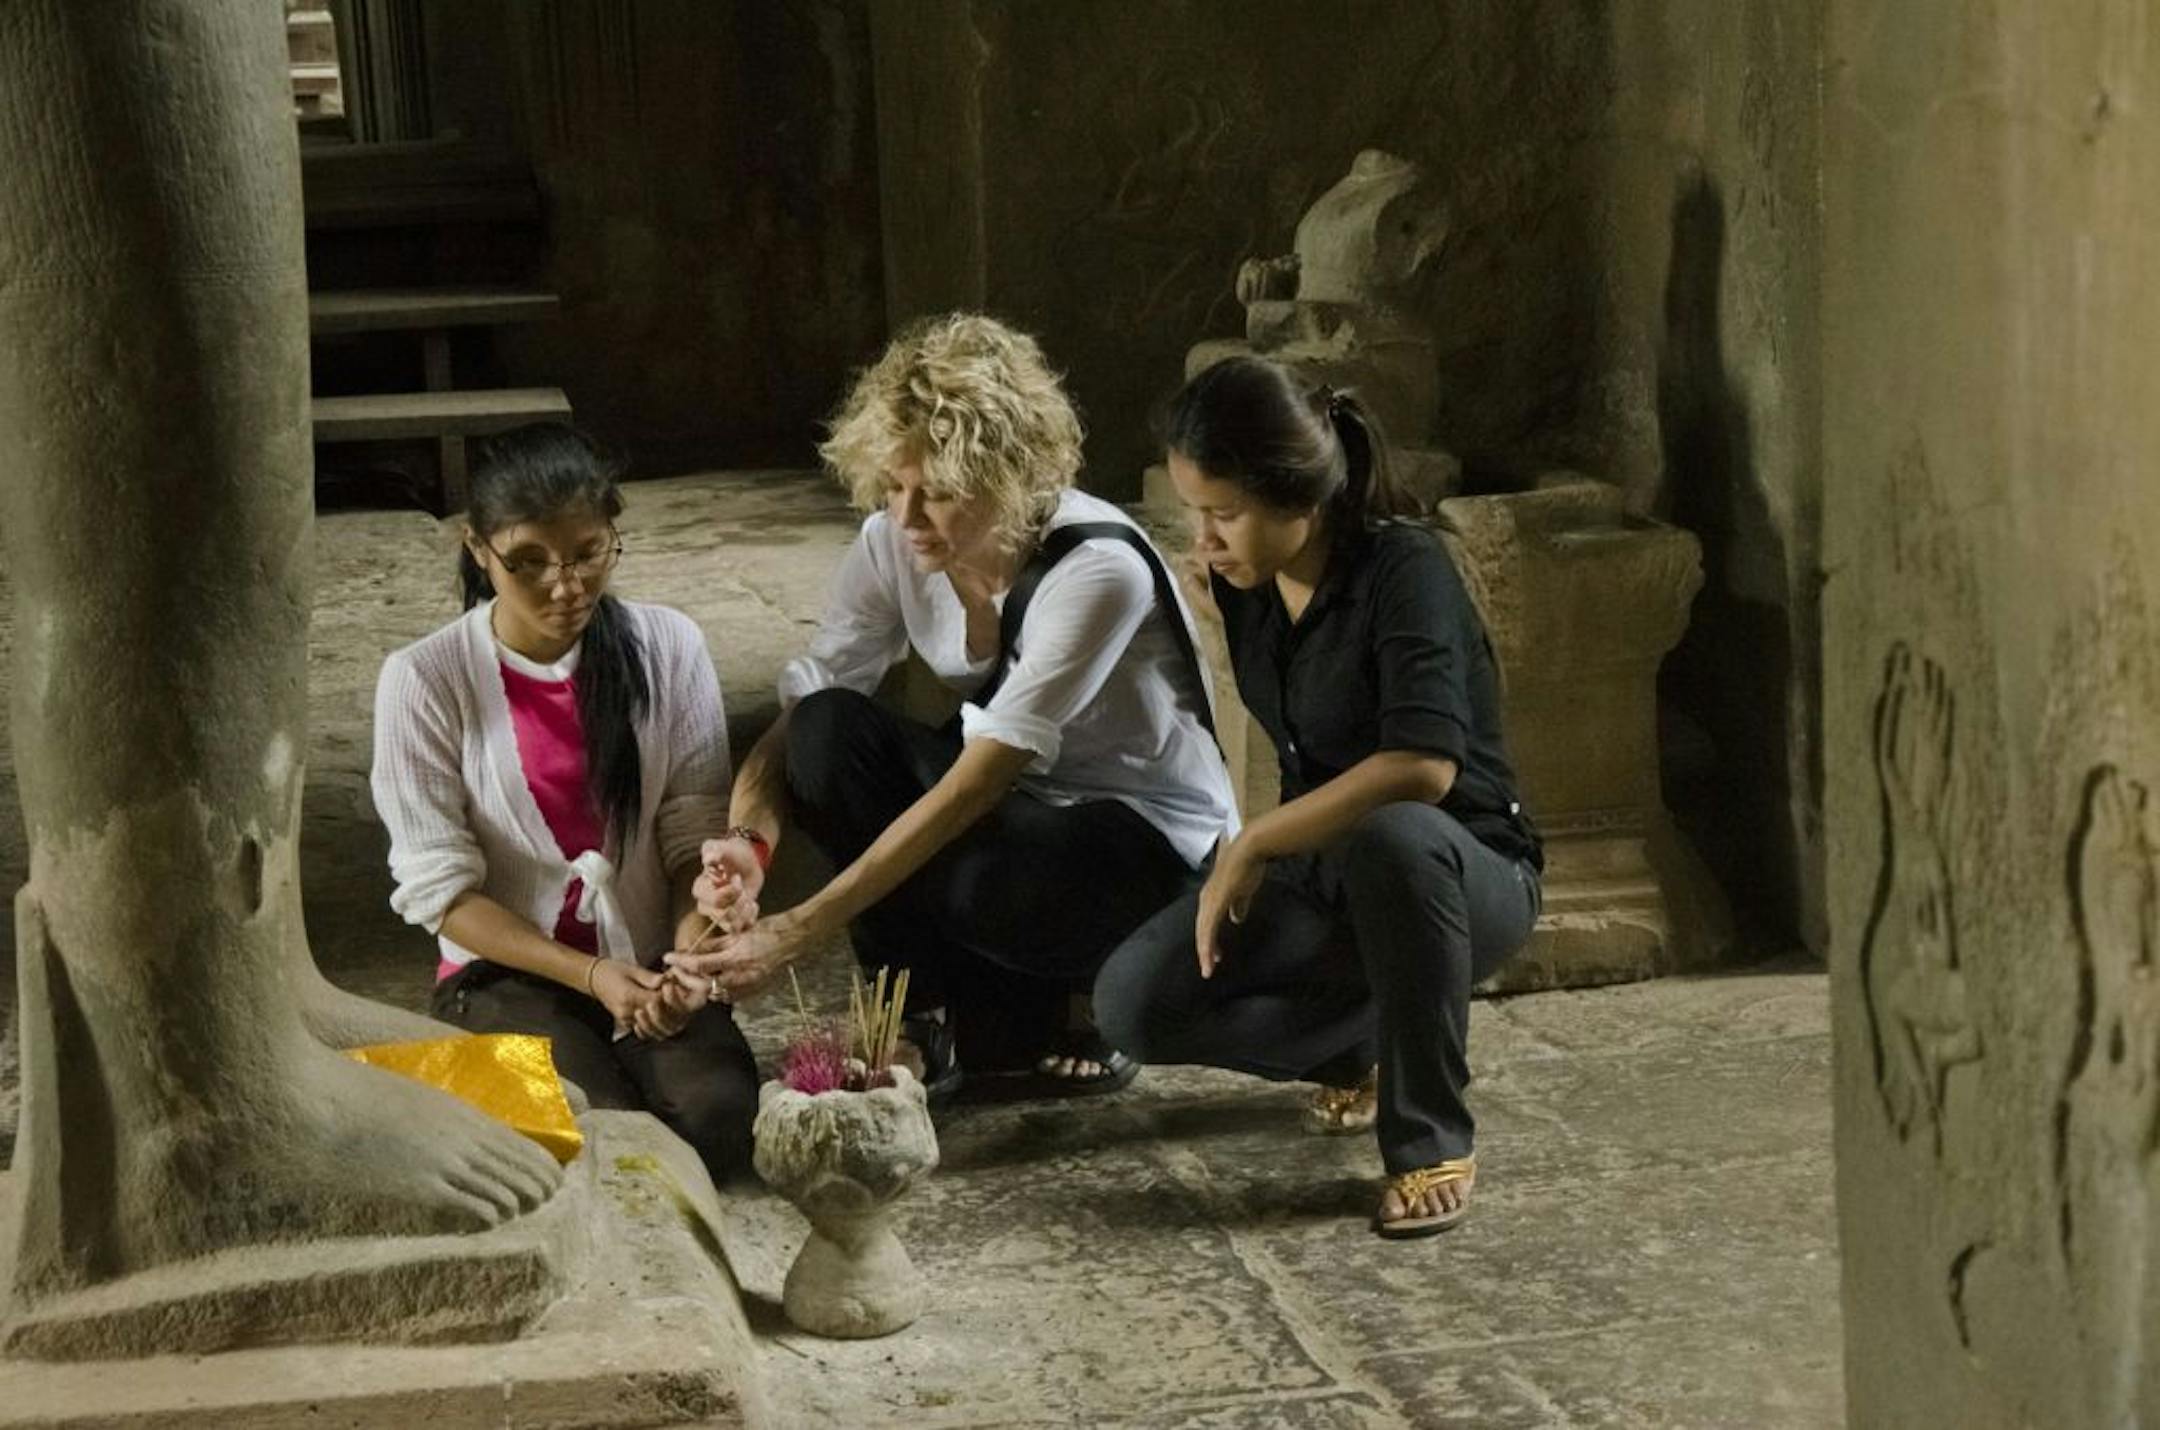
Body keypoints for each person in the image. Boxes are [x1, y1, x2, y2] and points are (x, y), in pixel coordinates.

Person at [667, 313, 1237, 1097]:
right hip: (1026, 814)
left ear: (1006, 479)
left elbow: (980, 782)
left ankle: (1069, 981)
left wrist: (798, 931)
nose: (905, 517)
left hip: (1138, 840)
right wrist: (748, 848)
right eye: (896, 486)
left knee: (970, 887)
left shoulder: (1099, 568)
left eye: (936, 494)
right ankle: (923, 1013)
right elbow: (809, 710)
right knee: (830, 731)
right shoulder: (892, 542)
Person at [1093, 356, 1543, 1238]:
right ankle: (1360, 1047)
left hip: (1457, 869)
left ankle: (1430, 1139)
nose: (1204, 539)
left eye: (1223, 514)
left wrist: (1254, 843)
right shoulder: (1245, 582)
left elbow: (1424, 767)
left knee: (1397, 838)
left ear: (1299, 499)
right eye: (1197, 512)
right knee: (1134, 1006)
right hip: (1330, 877)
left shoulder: (1406, 570)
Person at [370, 422, 760, 1183]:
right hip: (506, 971)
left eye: (588, 554)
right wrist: (591, 977)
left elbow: (691, 832)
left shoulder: (669, 647)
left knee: (721, 1122)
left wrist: (685, 960)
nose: (565, 585)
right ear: (478, 549)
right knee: (590, 1133)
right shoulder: (424, 679)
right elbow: (442, 892)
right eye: (528, 562)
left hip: (646, 954)